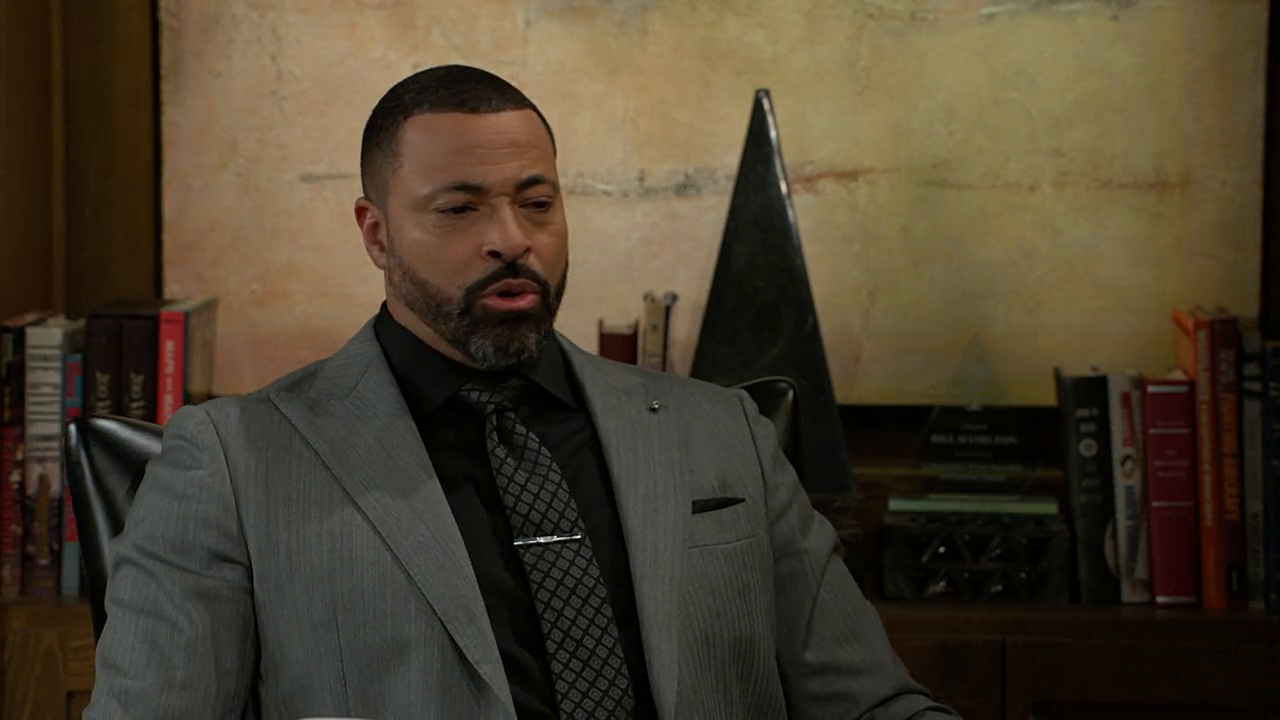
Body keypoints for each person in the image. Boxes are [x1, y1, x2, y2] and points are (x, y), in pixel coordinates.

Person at [85, 64, 958, 720]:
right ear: (377, 234)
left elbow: (870, 705)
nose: (512, 239)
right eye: (460, 209)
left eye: (537, 203)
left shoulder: (719, 431)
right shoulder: (237, 463)